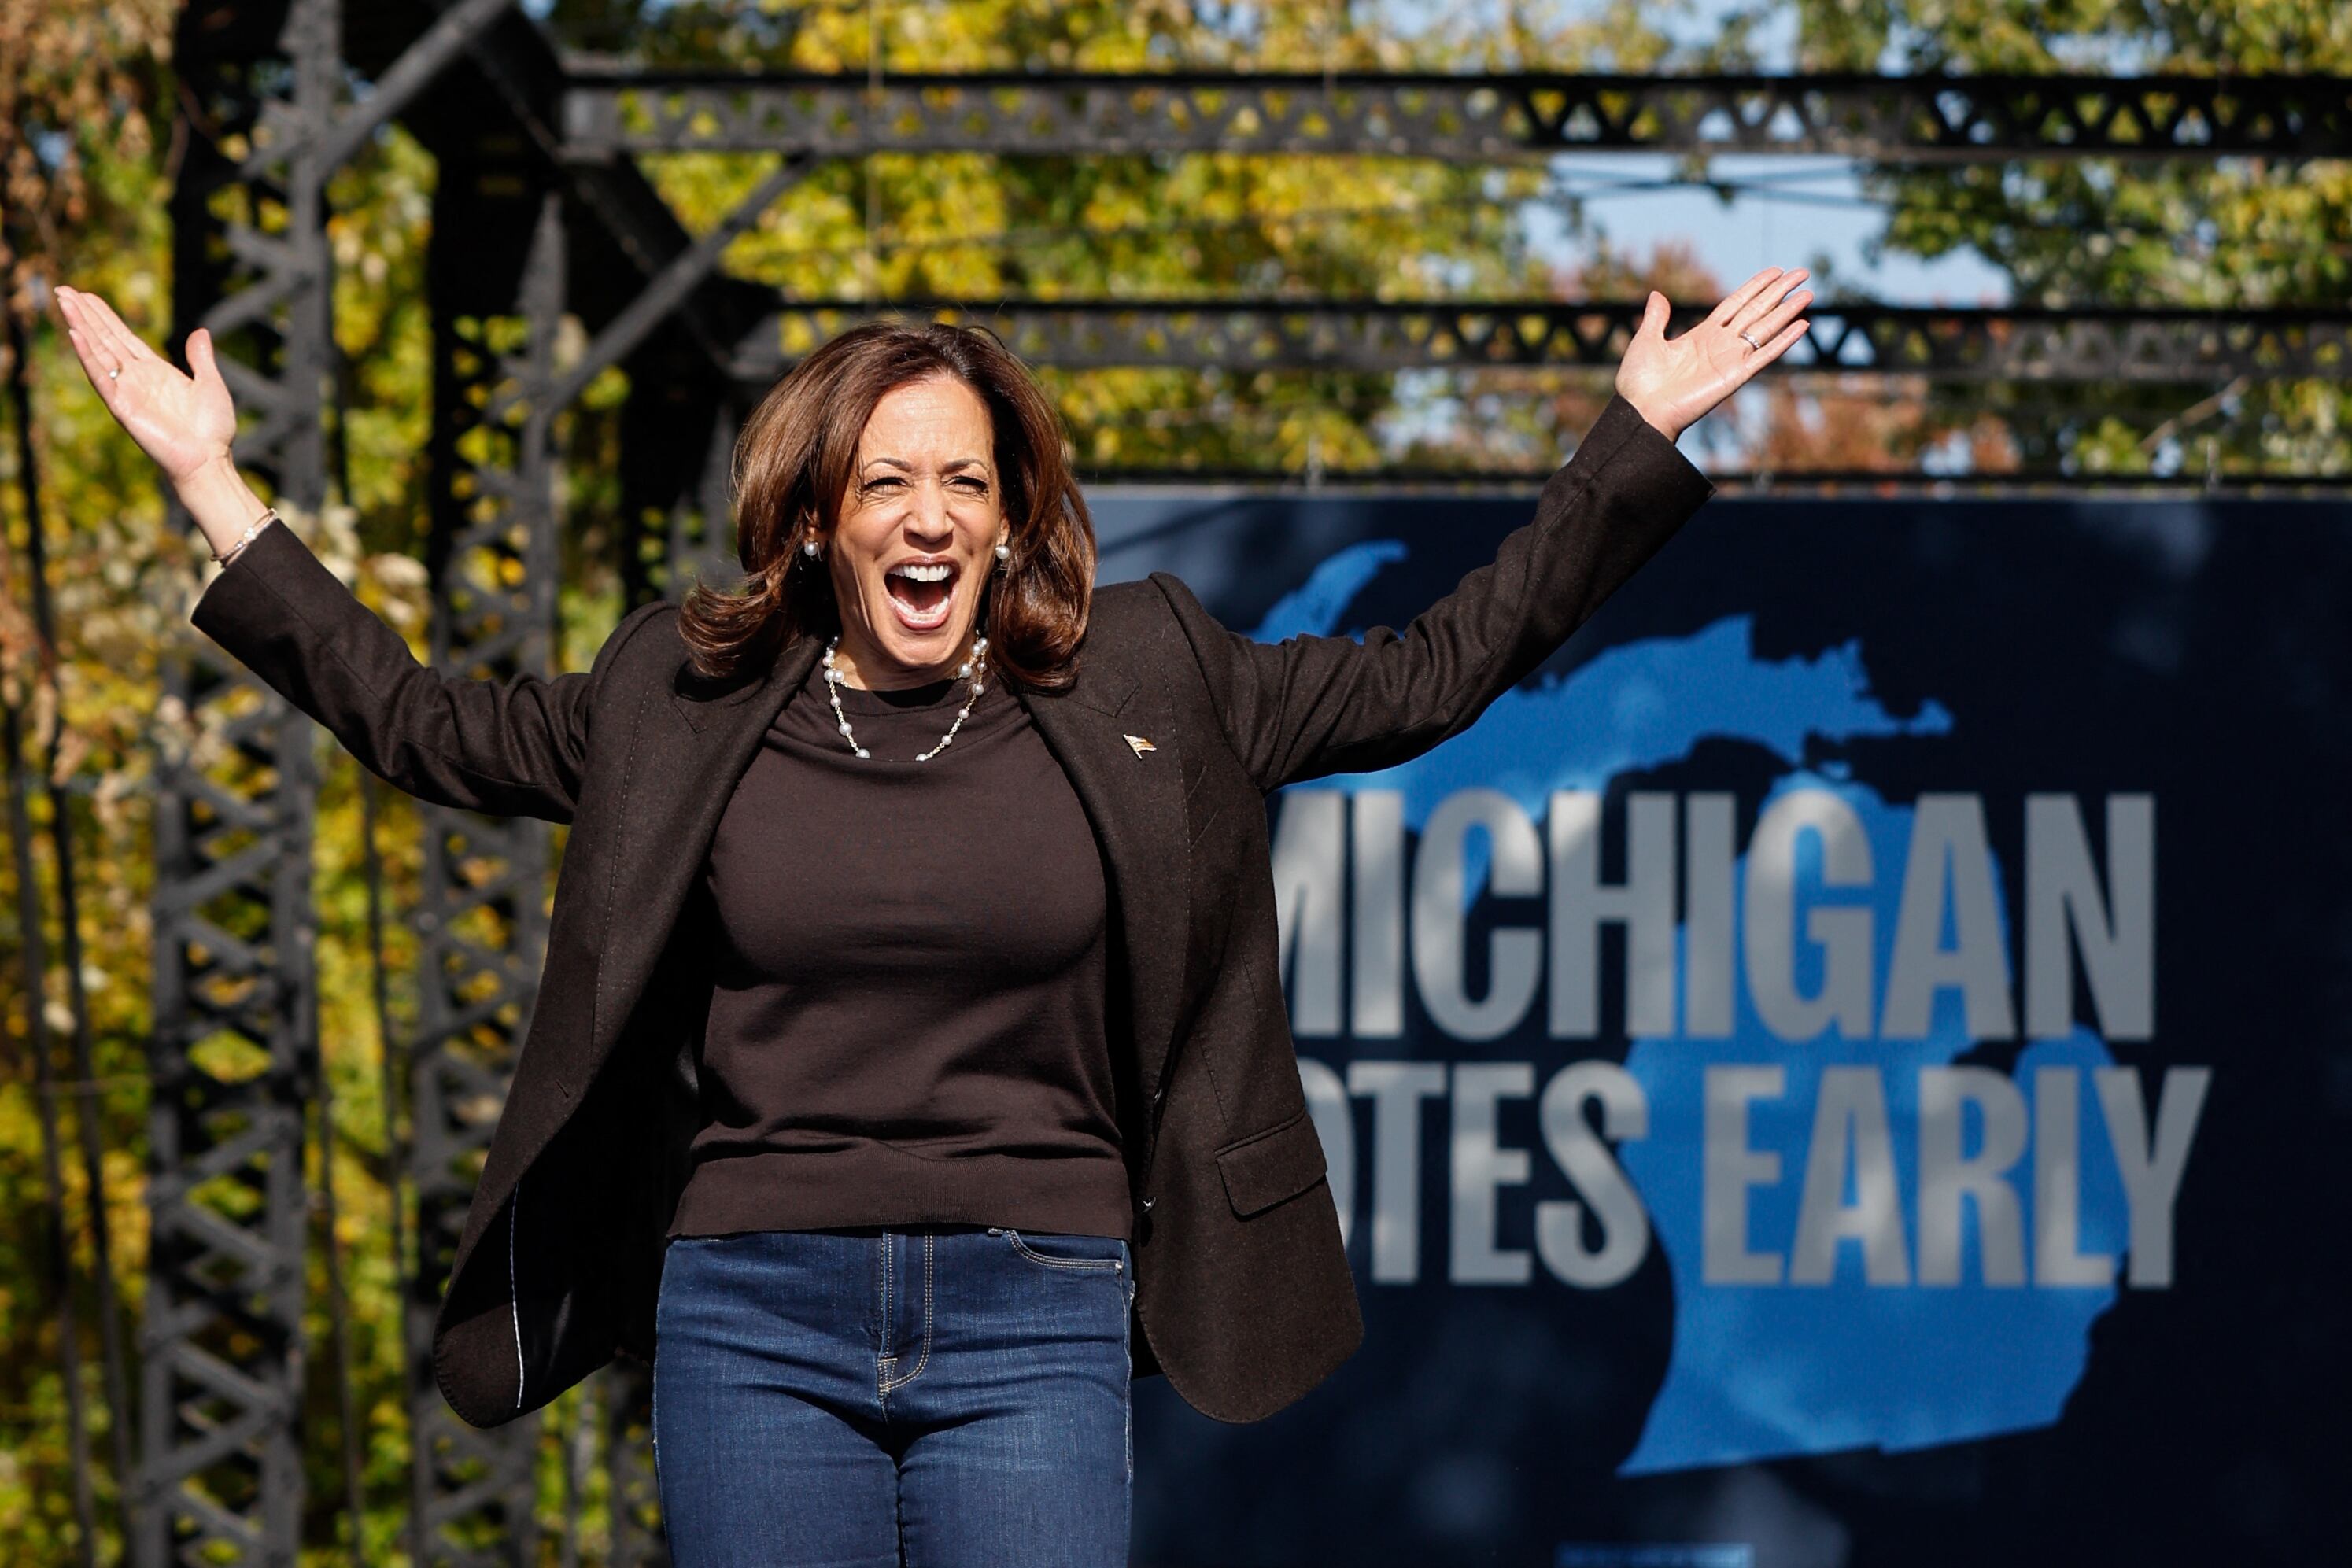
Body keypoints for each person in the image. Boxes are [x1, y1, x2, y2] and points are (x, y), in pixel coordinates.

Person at [56, 266, 1808, 1566]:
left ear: (1013, 516)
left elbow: (1437, 668)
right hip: (751, 1307)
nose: (929, 515)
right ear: (816, 518)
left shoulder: (1152, 670)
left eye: (966, 482)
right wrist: (217, 482)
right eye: (888, 481)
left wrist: (1627, 442)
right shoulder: (684, 688)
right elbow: (421, 724)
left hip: (1037, 1301)